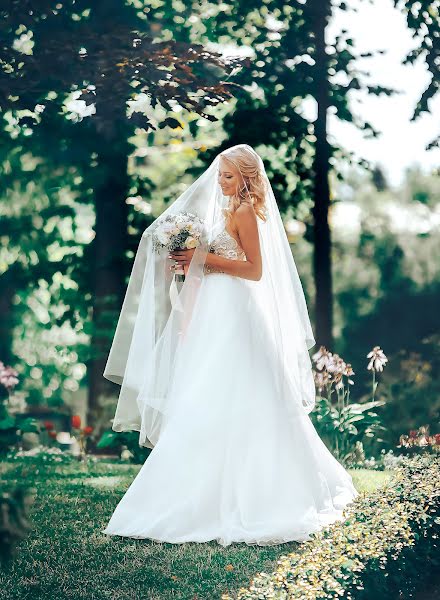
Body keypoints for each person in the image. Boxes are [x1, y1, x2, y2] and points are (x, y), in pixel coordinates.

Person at [101, 144, 357, 546]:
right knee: (204, 391)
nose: (220, 182)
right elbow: (215, 263)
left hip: (237, 313)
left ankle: (254, 493)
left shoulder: (244, 213)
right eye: (219, 175)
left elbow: (254, 271)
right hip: (215, 312)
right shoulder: (224, 213)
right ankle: (186, 490)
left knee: (238, 390)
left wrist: (203, 257)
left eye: (228, 176)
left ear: (247, 179)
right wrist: (191, 264)